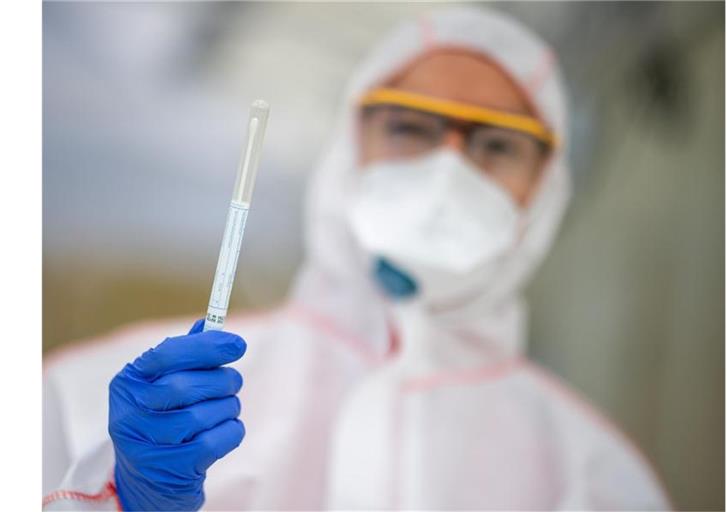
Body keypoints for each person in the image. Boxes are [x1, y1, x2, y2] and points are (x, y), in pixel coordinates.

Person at [43, 7, 671, 511]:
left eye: (495, 145)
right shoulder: (84, 402)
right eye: (410, 129)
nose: (446, 170)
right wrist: (123, 499)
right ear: (347, 150)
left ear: (546, 188)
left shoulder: (594, 476)